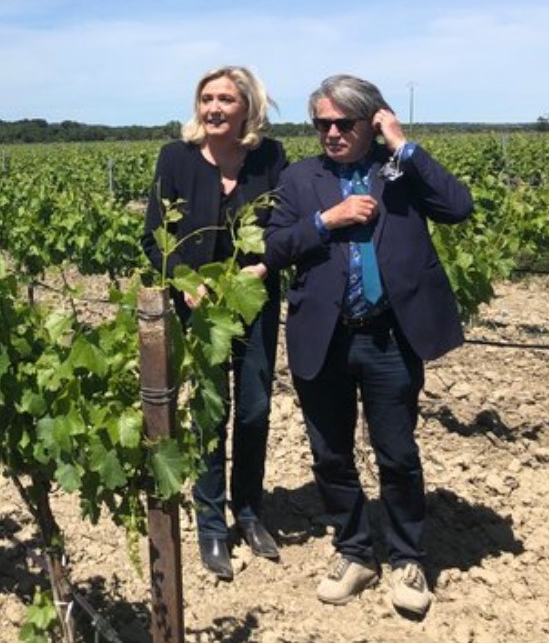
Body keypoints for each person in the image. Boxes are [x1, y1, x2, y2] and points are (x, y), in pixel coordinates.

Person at [264, 74, 473, 617]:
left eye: (343, 123)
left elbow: (458, 206)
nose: (331, 133)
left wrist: (402, 143)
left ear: (370, 121)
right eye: (321, 124)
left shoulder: (397, 170)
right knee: (331, 454)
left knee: (398, 454)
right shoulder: (300, 178)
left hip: (388, 337)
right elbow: (275, 245)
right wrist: (324, 221)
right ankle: (354, 550)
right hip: (325, 337)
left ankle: (407, 556)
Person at [142, 65, 288, 580]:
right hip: (200, 309)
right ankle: (209, 524)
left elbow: (284, 226)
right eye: (207, 98)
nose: (214, 108)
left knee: (253, 410)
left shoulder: (269, 158)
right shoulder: (176, 159)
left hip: (253, 302)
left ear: (248, 107)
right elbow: (154, 235)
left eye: (226, 99)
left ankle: (248, 513)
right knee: (210, 413)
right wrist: (184, 280)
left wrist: (266, 263)